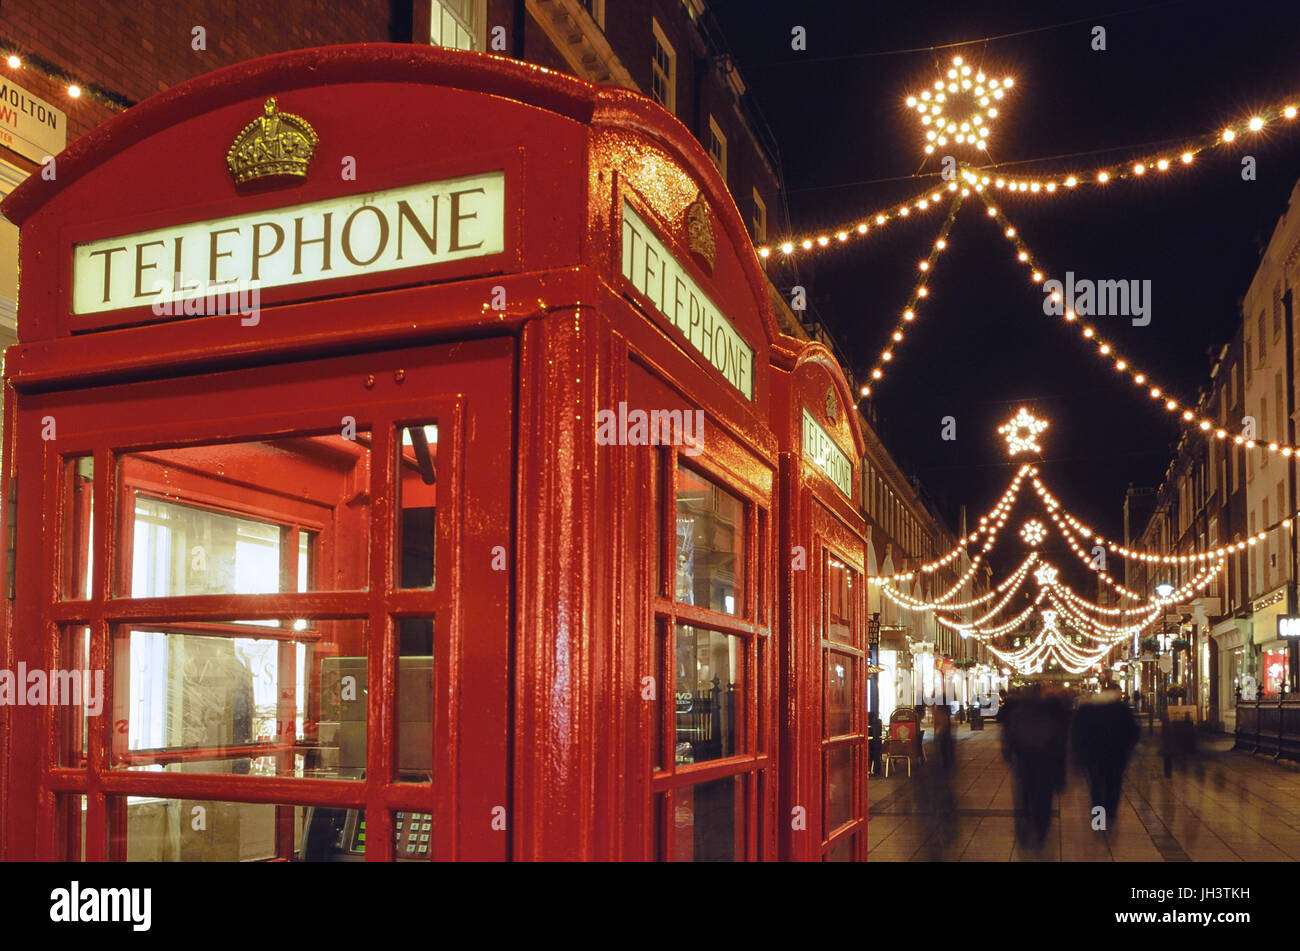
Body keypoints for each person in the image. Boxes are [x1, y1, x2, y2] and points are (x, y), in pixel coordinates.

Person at [1073, 680, 1139, 832]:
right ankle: (1110, 812)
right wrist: (1127, 748)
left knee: (1096, 786)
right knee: (1113, 784)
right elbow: (1133, 732)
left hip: (1094, 755)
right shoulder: (1122, 710)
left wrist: (1079, 754)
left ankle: (1098, 819)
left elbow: (1078, 733)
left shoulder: (1088, 709)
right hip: (1116, 755)